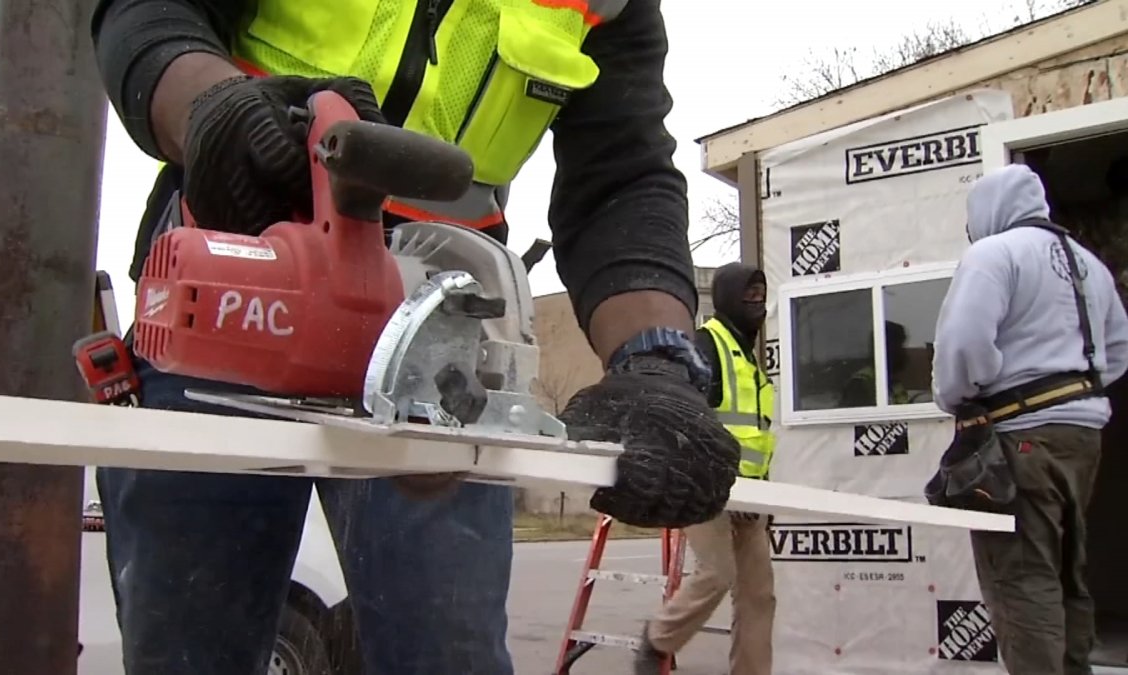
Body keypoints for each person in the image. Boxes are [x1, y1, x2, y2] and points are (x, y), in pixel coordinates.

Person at [88, 1, 741, 674]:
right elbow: (149, 11)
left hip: (439, 337)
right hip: (235, 283)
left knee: (446, 654)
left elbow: (622, 173)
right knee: (191, 650)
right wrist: (211, 106)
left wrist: (653, 356)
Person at [932, 164, 1128, 674]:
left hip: (1022, 437)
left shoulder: (994, 255)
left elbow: (963, 345)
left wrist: (958, 397)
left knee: (1021, 577)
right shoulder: (1089, 265)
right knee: (1066, 571)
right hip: (1082, 435)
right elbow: (1118, 350)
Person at [635, 262, 777, 675]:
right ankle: (658, 639)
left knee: (759, 596)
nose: (757, 302)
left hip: (752, 496)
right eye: (748, 294)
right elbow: (688, 422)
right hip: (706, 488)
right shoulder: (705, 345)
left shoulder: (748, 355)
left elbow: (756, 435)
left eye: (761, 295)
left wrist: (762, 491)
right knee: (717, 574)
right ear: (728, 297)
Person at [839, 321, 910, 407]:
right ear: (889, 348)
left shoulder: (892, 382)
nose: (904, 352)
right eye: (900, 346)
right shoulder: (859, 384)